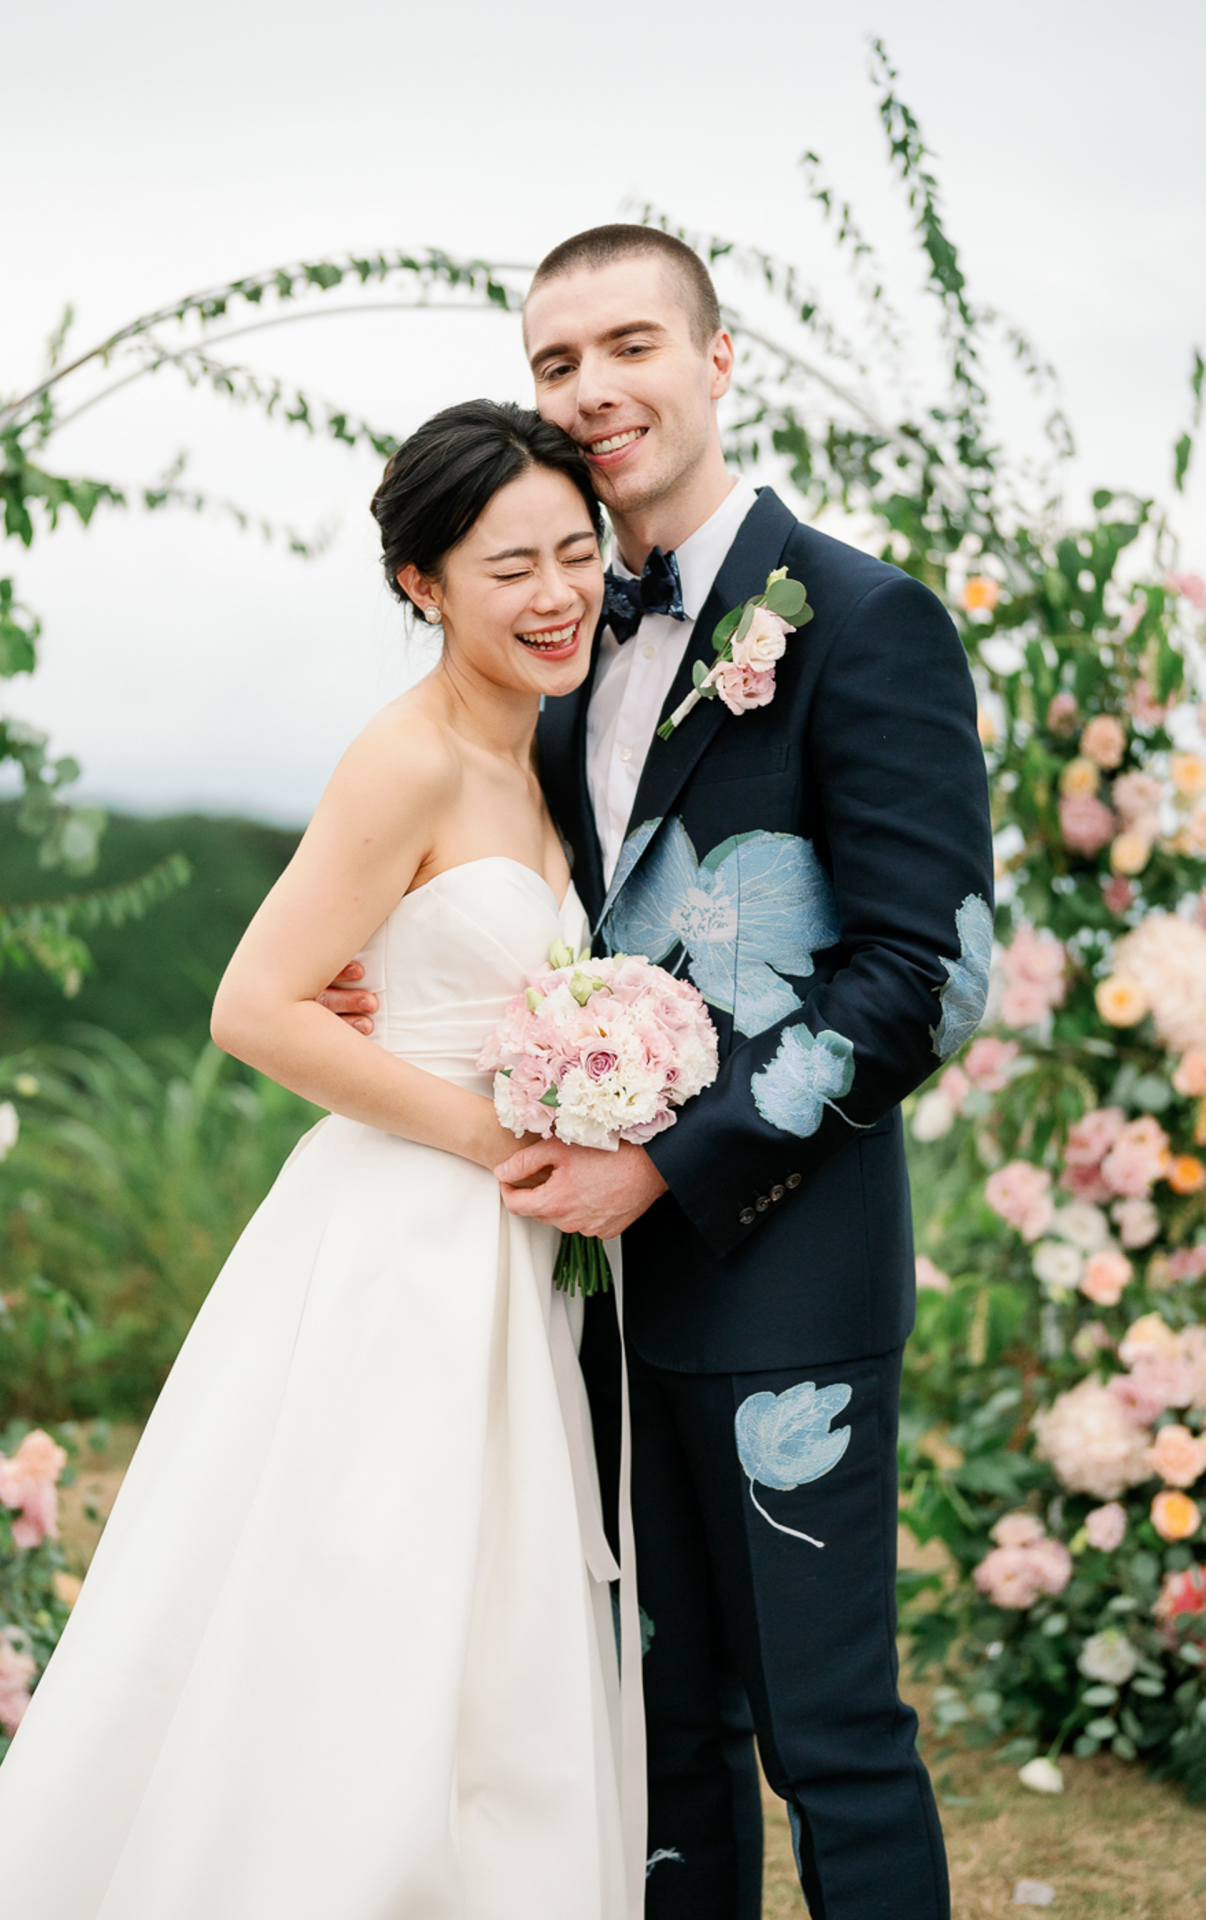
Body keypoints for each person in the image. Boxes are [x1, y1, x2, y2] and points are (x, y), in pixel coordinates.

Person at [330, 226, 995, 1920]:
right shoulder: (559, 658)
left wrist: (666, 1164)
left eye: (629, 344)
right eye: (555, 362)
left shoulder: (865, 621)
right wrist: (381, 973)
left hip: (784, 1282)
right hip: (579, 1300)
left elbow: (930, 974)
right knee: (653, 1739)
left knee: (830, 1735)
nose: (592, 388)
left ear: (715, 360)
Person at [0, 402, 635, 1920]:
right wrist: (492, 1136)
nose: (558, 593)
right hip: (406, 1237)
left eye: (576, 551)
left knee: (486, 1619)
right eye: (509, 566)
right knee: (367, 1601)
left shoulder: (545, 750)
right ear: (422, 584)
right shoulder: (406, 759)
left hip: (511, 1246)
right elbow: (252, 1007)